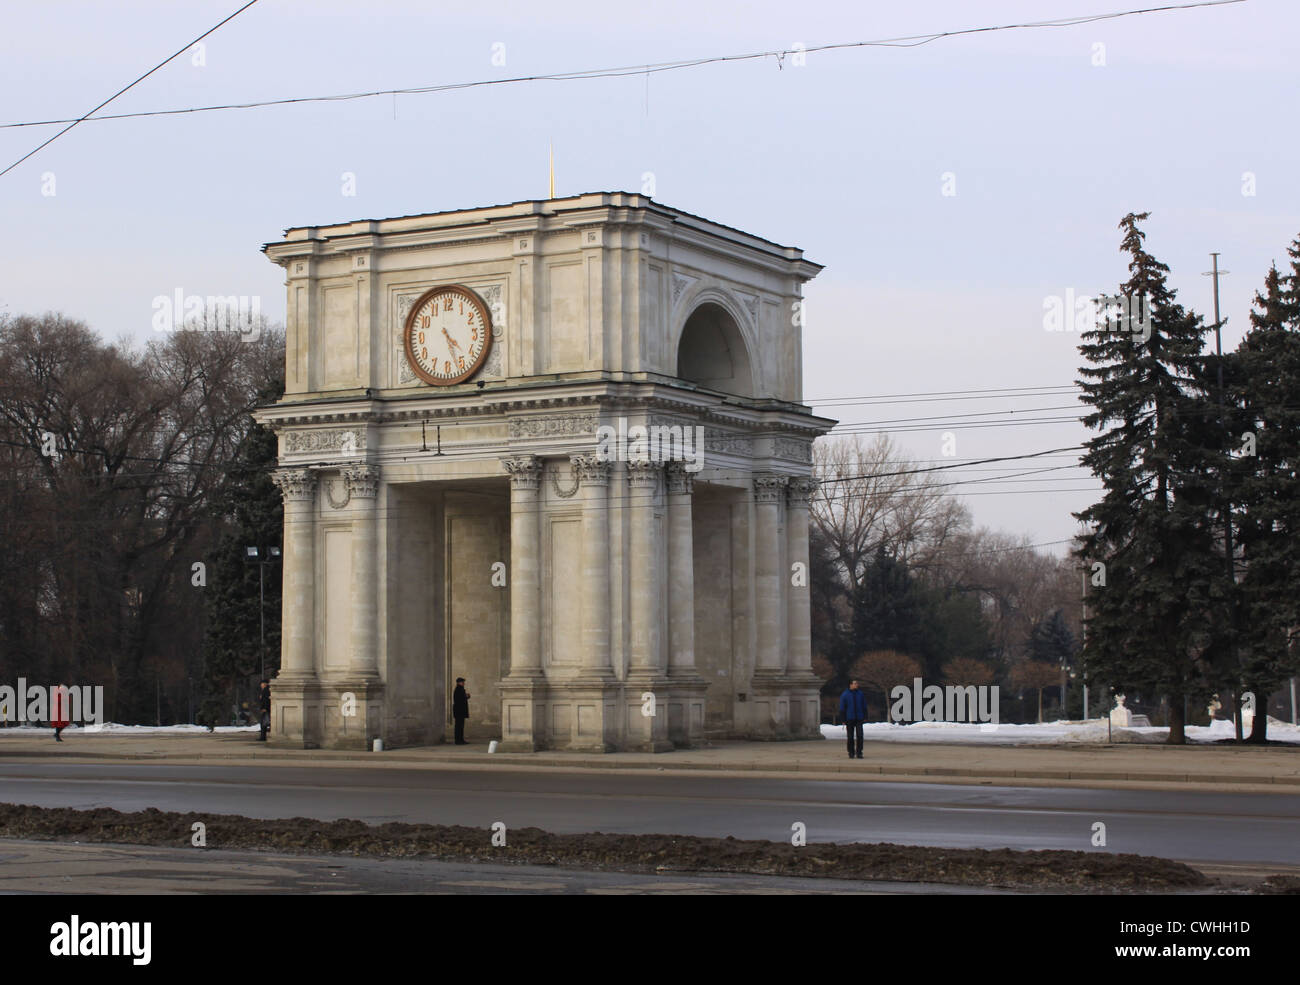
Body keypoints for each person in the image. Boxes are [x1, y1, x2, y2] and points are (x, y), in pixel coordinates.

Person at [839, 679, 867, 759]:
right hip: (849, 718)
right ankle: (851, 752)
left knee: (860, 735)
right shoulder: (845, 694)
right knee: (850, 737)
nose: (856, 685)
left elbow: (864, 705)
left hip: (859, 718)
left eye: (856, 683)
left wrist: (865, 716)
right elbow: (842, 708)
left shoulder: (860, 694)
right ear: (850, 685)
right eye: (855, 683)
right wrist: (843, 719)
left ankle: (859, 752)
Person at [452, 677, 470, 745]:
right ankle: (458, 740)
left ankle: (460, 740)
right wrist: (466, 696)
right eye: (462, 682)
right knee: (459, 726)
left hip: (459, 711)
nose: (463, 683)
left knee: (460, 726)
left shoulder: (460, 689)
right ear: (458, 682)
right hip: (459, 711)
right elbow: (460, 699)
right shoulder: (459, 689)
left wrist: (466, 696)